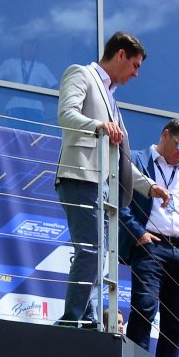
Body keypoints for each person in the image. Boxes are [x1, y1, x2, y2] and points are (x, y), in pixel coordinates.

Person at [56, 32, 166, 327]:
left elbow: (122, 159)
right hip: (81, 175)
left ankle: (89, 319)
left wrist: (150, 186)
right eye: (135, 65)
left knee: (99, 254)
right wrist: (99, 126)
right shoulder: (81, 74)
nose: (136, 74)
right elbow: (66, 115)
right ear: (120, 55)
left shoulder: (112, 100)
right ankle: (72, 319)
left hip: (104, 186)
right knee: (91, 250)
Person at [121, 119, 179, 357]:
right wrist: (138, 234)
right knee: (144, 309)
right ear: (165, 135)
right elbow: (119, 199)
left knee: (176, 321)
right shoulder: (136, 160)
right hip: (150, 246)